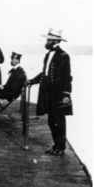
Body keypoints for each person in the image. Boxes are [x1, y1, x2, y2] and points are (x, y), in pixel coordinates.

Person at [26, 29, 73, 157]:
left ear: (56, 41)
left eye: (49, 40)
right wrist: (32, 81)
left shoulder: (63, 56)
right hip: (48, 94)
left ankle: (61, 147)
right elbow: (44, 74)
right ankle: (56, 145)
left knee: (59, 120)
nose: (46, 42)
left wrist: (66, 94)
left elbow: (67, 77)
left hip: (58, 94)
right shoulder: (48, 55)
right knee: (52, 120)